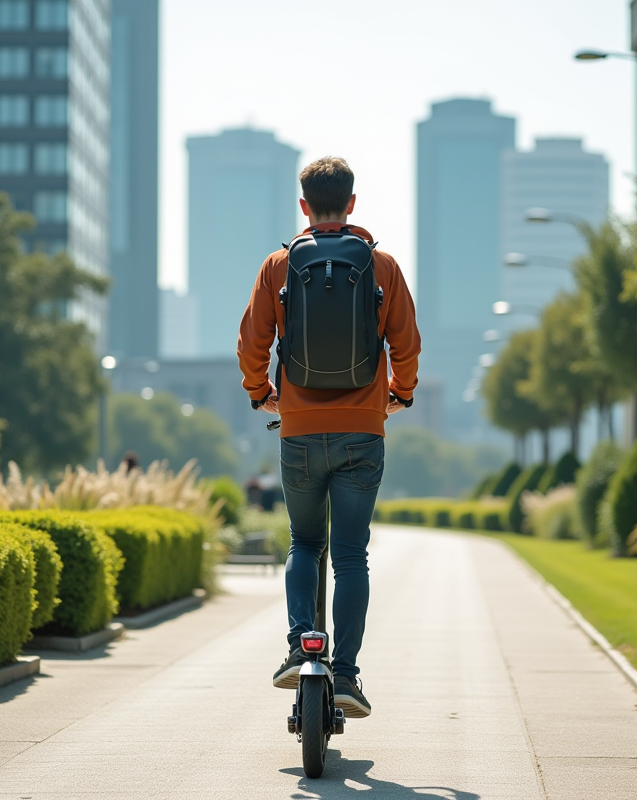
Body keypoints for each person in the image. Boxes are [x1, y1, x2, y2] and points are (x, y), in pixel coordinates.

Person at [237, 156, 420, 718]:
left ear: (303, 206)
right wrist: (401, 393)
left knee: (304, 543)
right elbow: (406, 343)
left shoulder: (279, 266)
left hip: (298, 429)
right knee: (350, 555)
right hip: (364, 430)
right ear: (352, 203)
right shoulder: (382, 266)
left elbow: (251, 340)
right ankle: (345, 673)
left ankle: (298, 647)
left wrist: (260, 391)